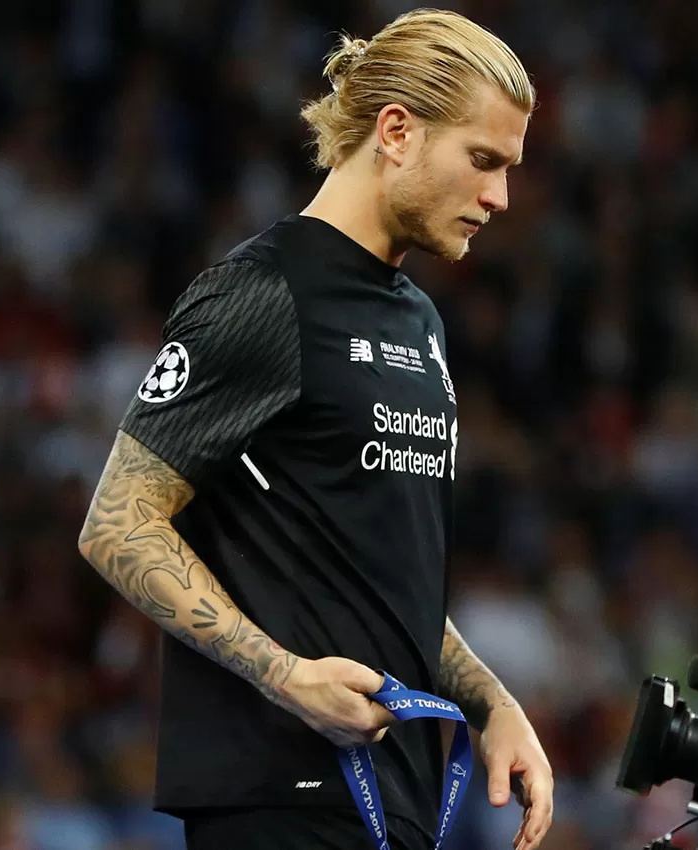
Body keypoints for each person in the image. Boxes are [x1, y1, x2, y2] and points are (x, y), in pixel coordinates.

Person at [76, 8, 553, 850]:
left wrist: (491, 703)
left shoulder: (420, 324)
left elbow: (373, 571)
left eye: (508, 169)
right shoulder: (262, 294)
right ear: (397, 132)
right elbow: (117, 525)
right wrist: (285, 675)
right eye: (483, 161)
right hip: (280, 793)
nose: (498, 197)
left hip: (390, 796)